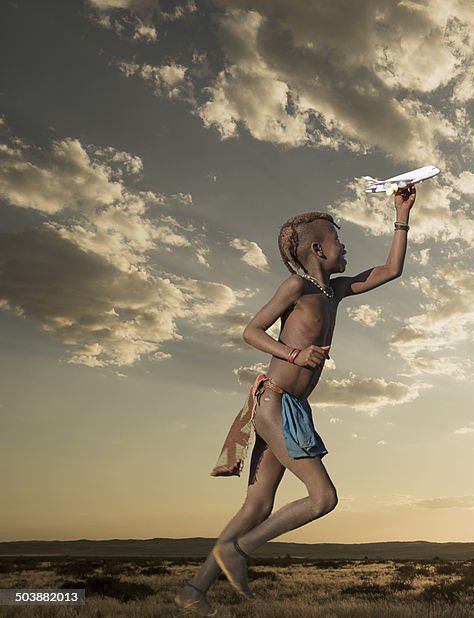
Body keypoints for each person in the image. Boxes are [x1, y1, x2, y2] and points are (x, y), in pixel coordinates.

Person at [175, 187, 416, 615]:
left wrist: (401, 215)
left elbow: (391, 270)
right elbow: (251, 331)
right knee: (322, 498)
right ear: (319, 249)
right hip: (274, 402)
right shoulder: (295, 288)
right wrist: (293, 354)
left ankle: (194, 591)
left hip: (292, 408)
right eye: (339, 241)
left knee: (258, 504)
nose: (345, 247)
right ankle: (242, 549)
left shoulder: (334, 291)